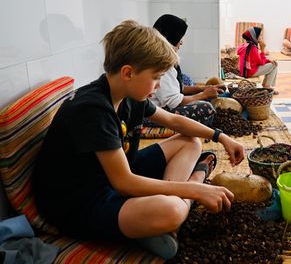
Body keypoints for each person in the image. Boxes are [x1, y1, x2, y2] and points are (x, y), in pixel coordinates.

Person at [33, 20, 245, 260]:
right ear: (128, 72)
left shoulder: (127, 95)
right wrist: (195, 188)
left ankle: (154, 216)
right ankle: (180, 197)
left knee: (191, 142)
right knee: (173, 211)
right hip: (80, 204)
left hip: (110, 176)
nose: (157, 86)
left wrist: (221, 136)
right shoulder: (92, 110)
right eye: (155, 77)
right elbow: (125, 183)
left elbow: (174, 122)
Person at [150, 14, 223, 127]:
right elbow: (173, 102)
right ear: (171, 36)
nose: (182, 42)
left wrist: (202, 89)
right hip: (154, 115)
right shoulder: (161, 61)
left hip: (158, 106)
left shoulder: (159, 54)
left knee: (186, 79)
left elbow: (179, 88)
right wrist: (203, 95)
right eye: (180, 37)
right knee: (206, 108)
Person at [237, 27, 279, 91]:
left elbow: (257, 59)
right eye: (260, 35)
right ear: (255, 36)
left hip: (245, 71)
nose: (262, 37)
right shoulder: (253, 48)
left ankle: (267, 85)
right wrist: (262, 49)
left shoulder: (245, 45)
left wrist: (268, 60)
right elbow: (261, 62)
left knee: (272, 63)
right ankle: (267, 86)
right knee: (275, 64)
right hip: (250, 72)